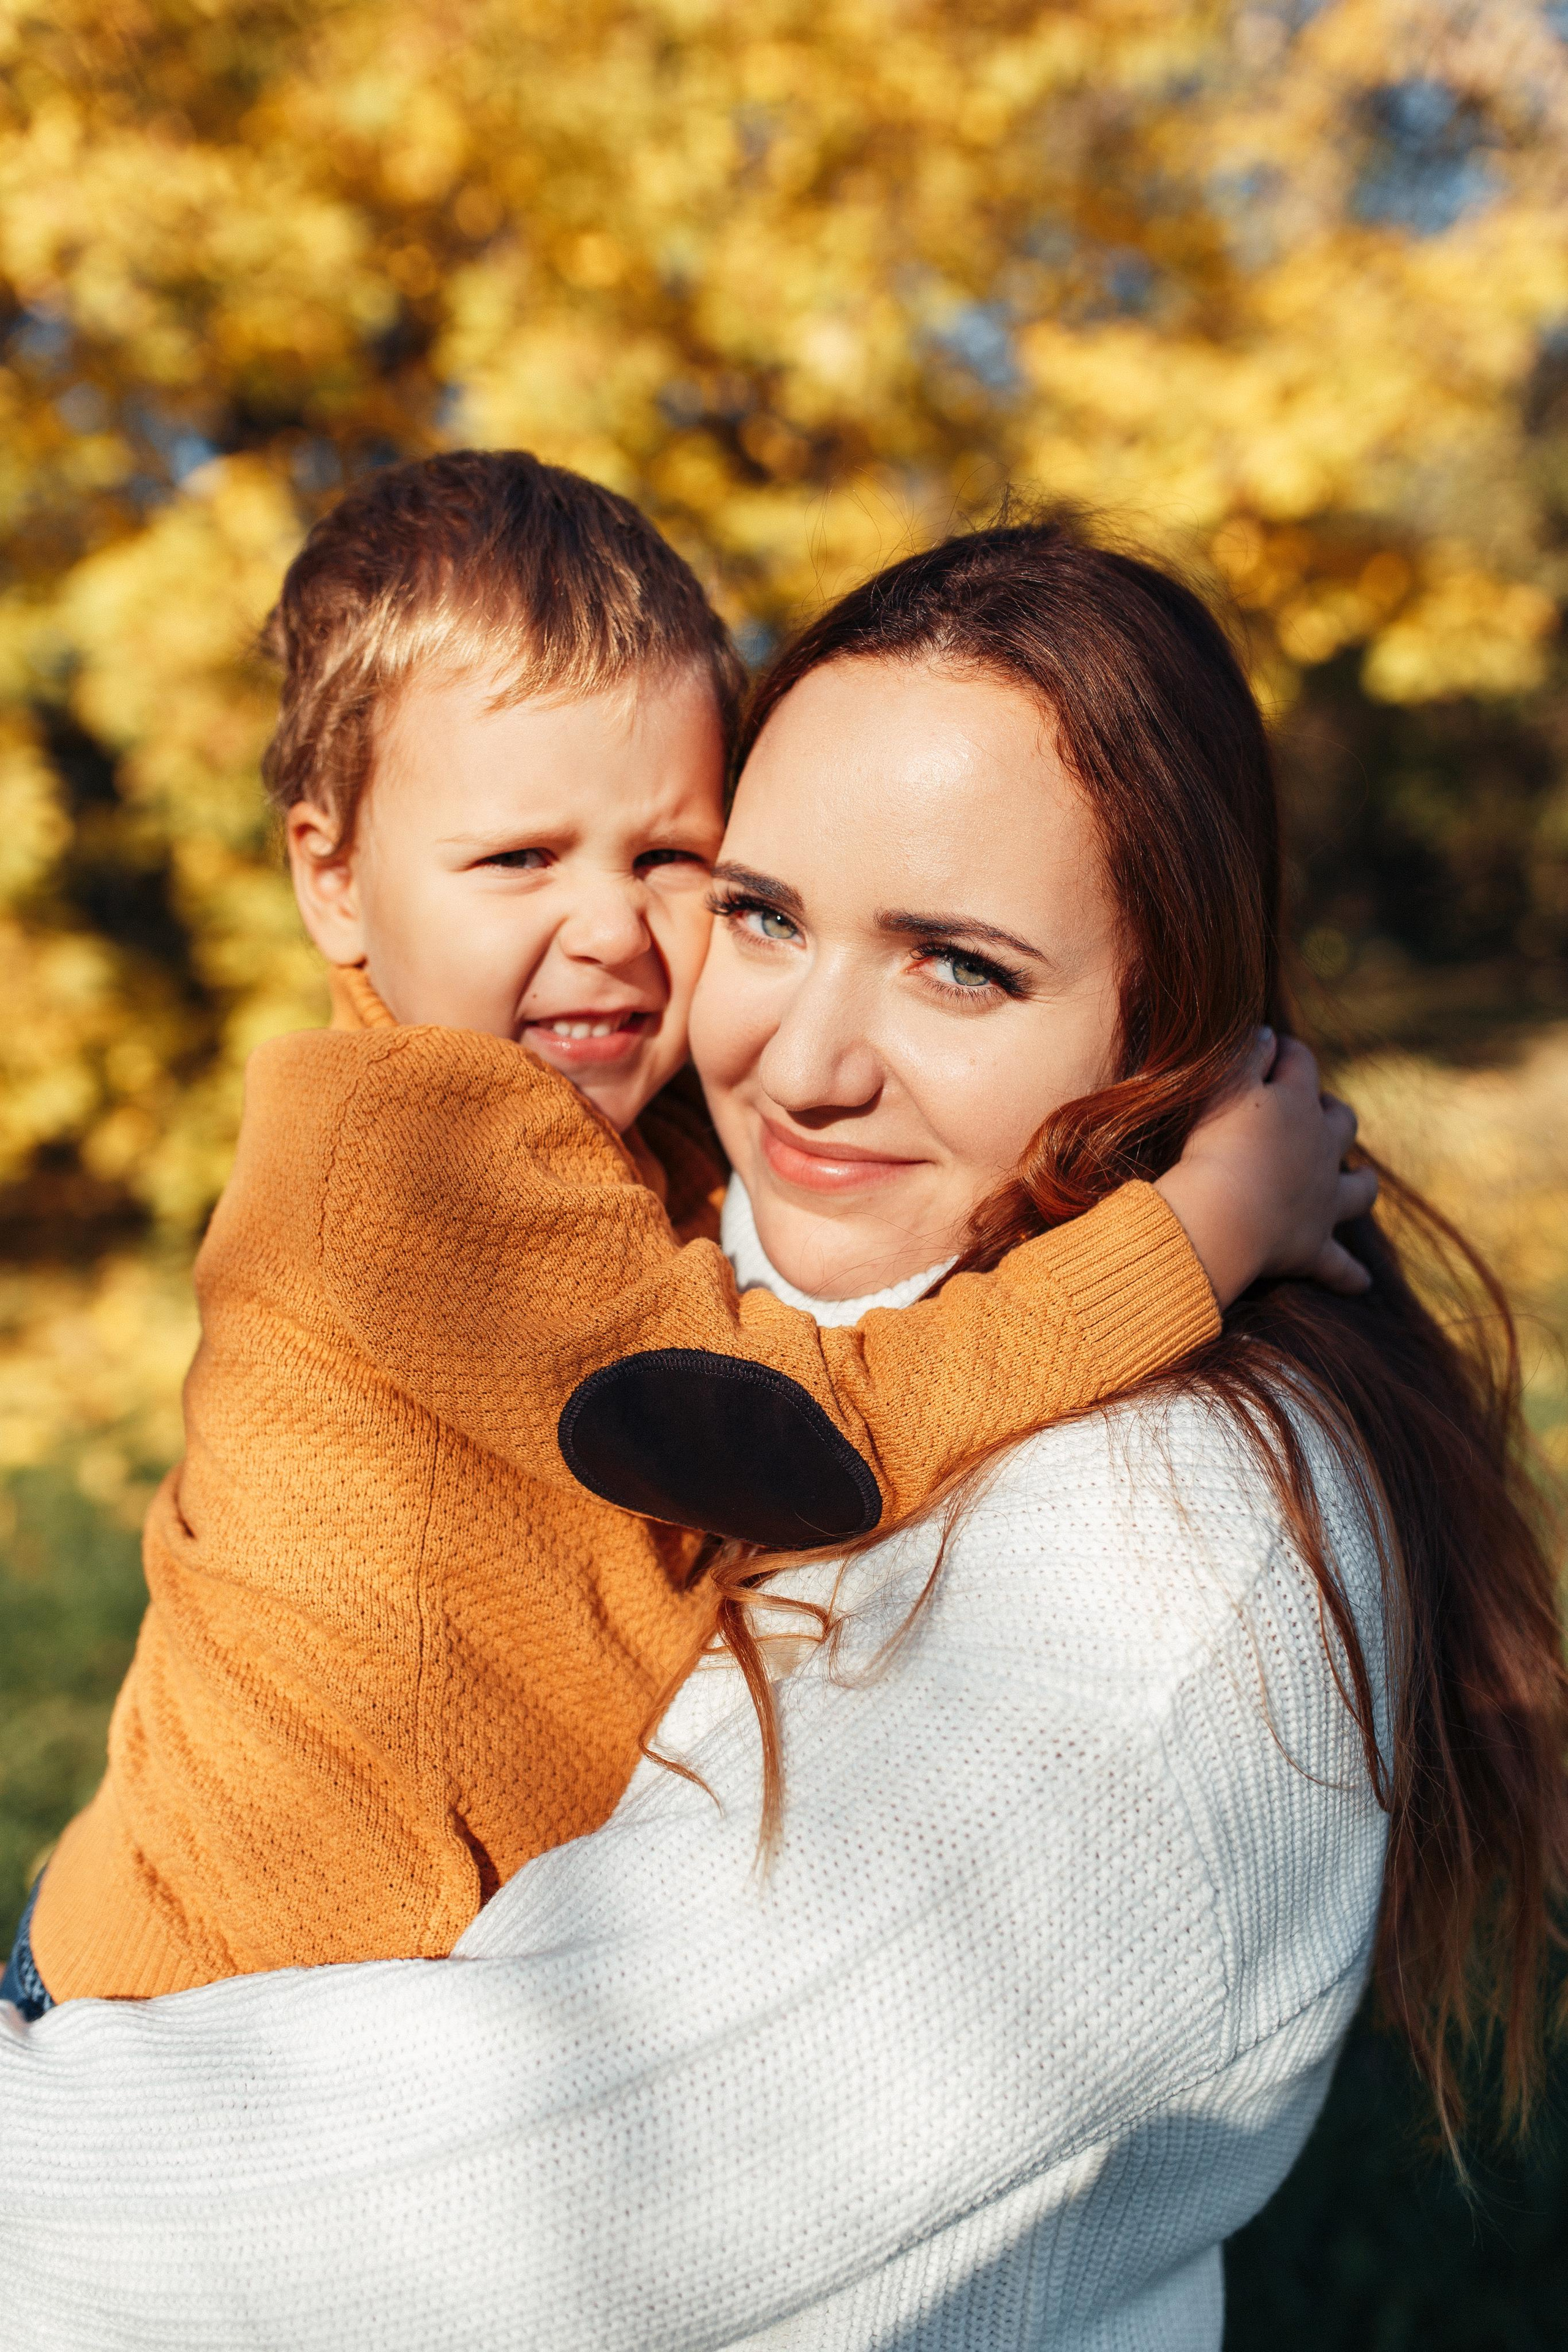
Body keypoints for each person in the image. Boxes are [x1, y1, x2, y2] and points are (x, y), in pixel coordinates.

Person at [5, 516, 1560, 2352]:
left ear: (1175, 1006)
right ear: (330, 878)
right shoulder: (541, 1191)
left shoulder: (1151, 1584)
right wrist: (1190, 1230)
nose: (800, 1063)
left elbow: (498, 2214)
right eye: (766, 914)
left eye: (958, 965)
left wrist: (1182, 1243)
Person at [6, 456, 1362, 2016]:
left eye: (669, 861)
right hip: (184, 2008)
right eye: (519, 858)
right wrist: (1193, 1235)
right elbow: (785, 1438)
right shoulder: (412, 1148)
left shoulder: (603, 1144)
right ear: (333, 881)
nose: (607, 925)